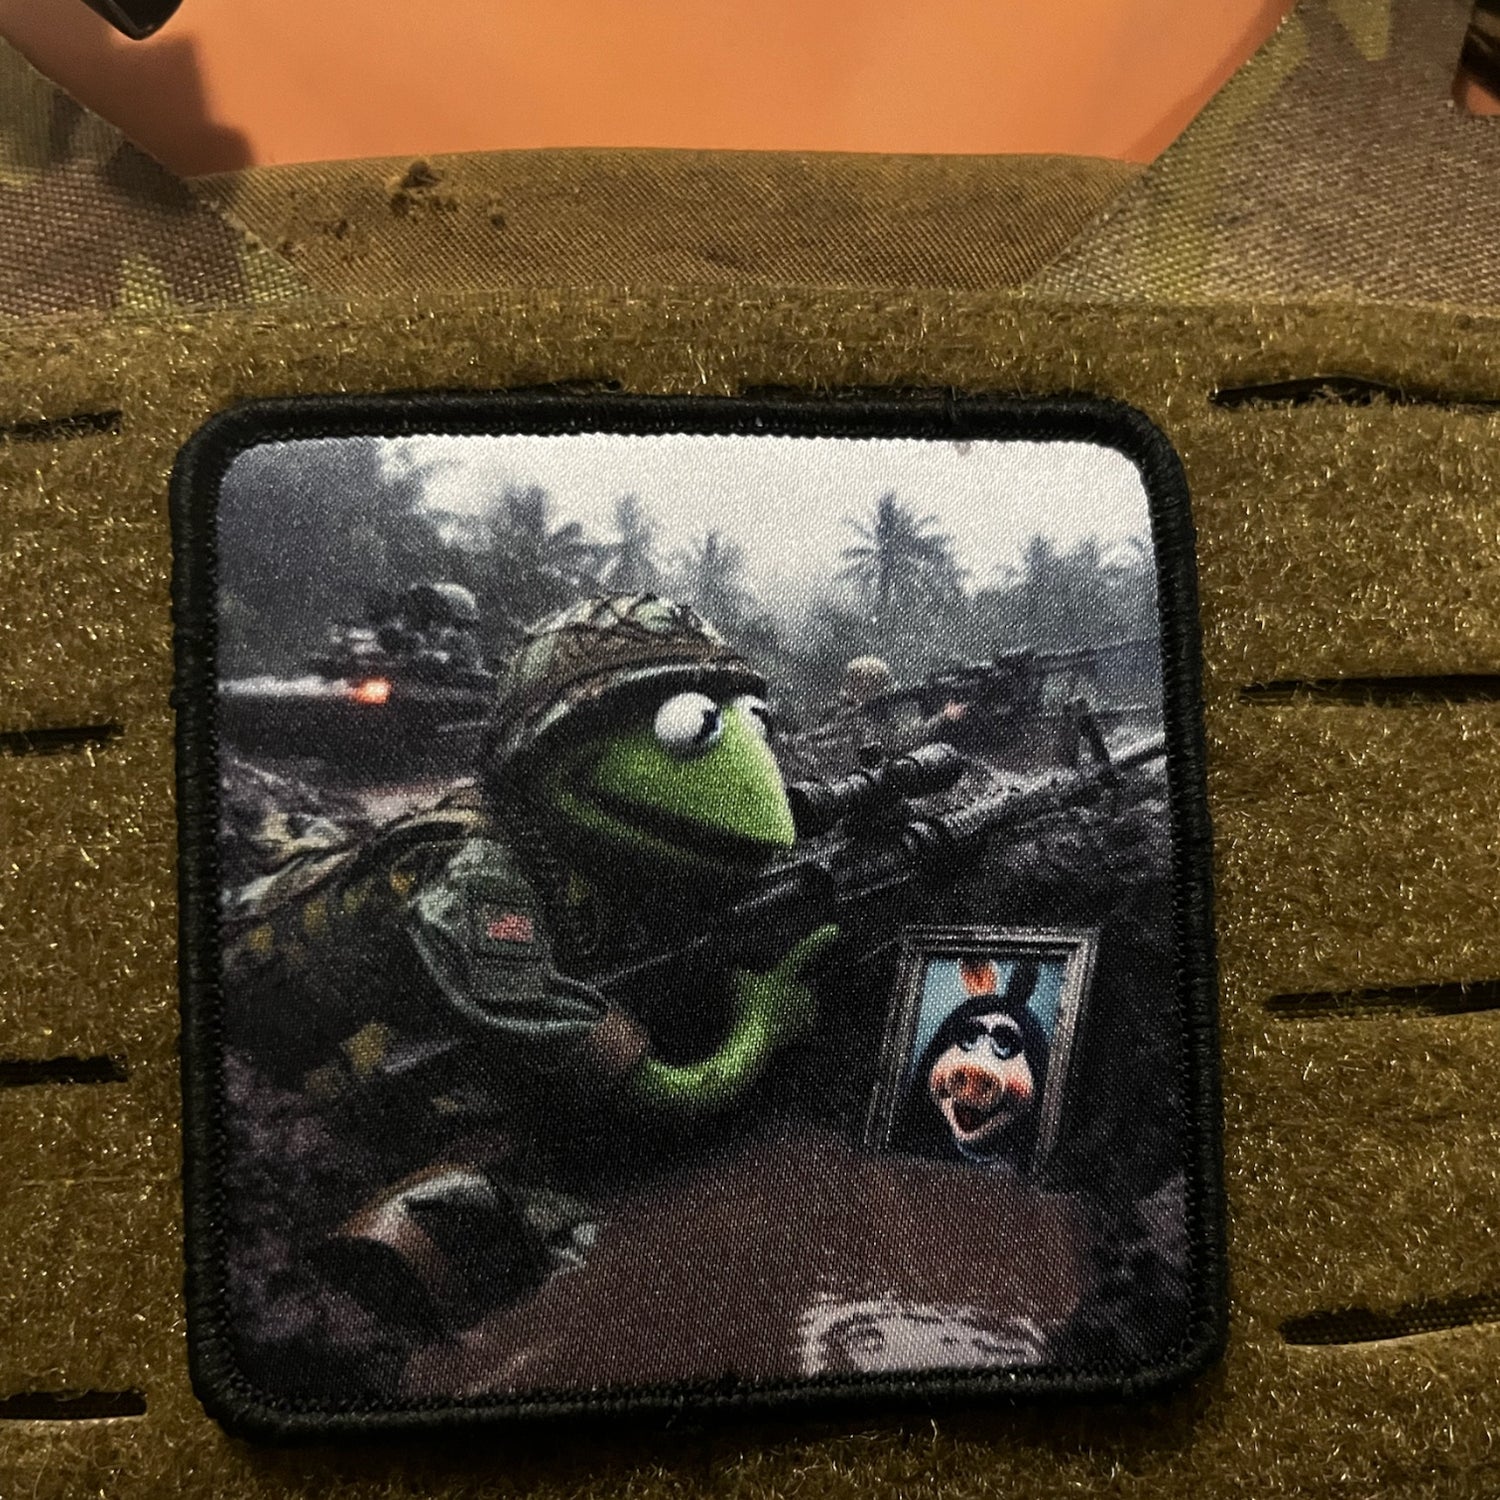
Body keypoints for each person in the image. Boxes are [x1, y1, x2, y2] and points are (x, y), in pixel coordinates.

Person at [222, 592, 836, 1330]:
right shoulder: (482, 876)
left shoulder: (563, 847)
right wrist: (756, 1031)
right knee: (535, 1196)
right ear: (546, 748)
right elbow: (651, 1086)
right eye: (691, 723)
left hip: (402, 985)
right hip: (263, 995)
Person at [896, 958, 1050, 1171]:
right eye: (969, 1038)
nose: (978, 1066)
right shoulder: (911, 1159)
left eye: (1005, 1044)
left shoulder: (1032, 1170)